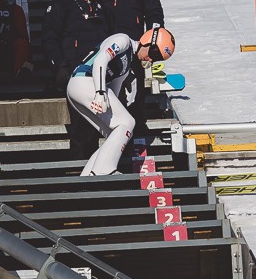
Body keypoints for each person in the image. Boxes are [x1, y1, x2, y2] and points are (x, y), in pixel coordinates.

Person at [68, 26, 176, 176]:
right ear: (147, 40)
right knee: (128, 122)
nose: (151, 59)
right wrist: (100, 93)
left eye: (157, 59)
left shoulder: (126, 67)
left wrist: (104, 95)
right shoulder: (123, 40)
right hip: (85, 81)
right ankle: (104, 171)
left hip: (80, 86)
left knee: (115, 134)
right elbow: (100, 60)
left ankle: (87, 177)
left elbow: (114, 90)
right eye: (154, 53)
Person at [98, 0, 165, 141]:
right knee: (104, 96)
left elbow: (155, 15)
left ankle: (136, 143)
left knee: (134, 100)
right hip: (103, 50)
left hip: (133, 50)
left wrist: (149, 45)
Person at [42, 0, 111, 158]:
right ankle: (83, 165)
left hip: (103, 73)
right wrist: (60, 66)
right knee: (82, 126)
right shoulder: (63, 3)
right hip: (75, 73)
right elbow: (49, 38)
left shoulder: (104, 4)